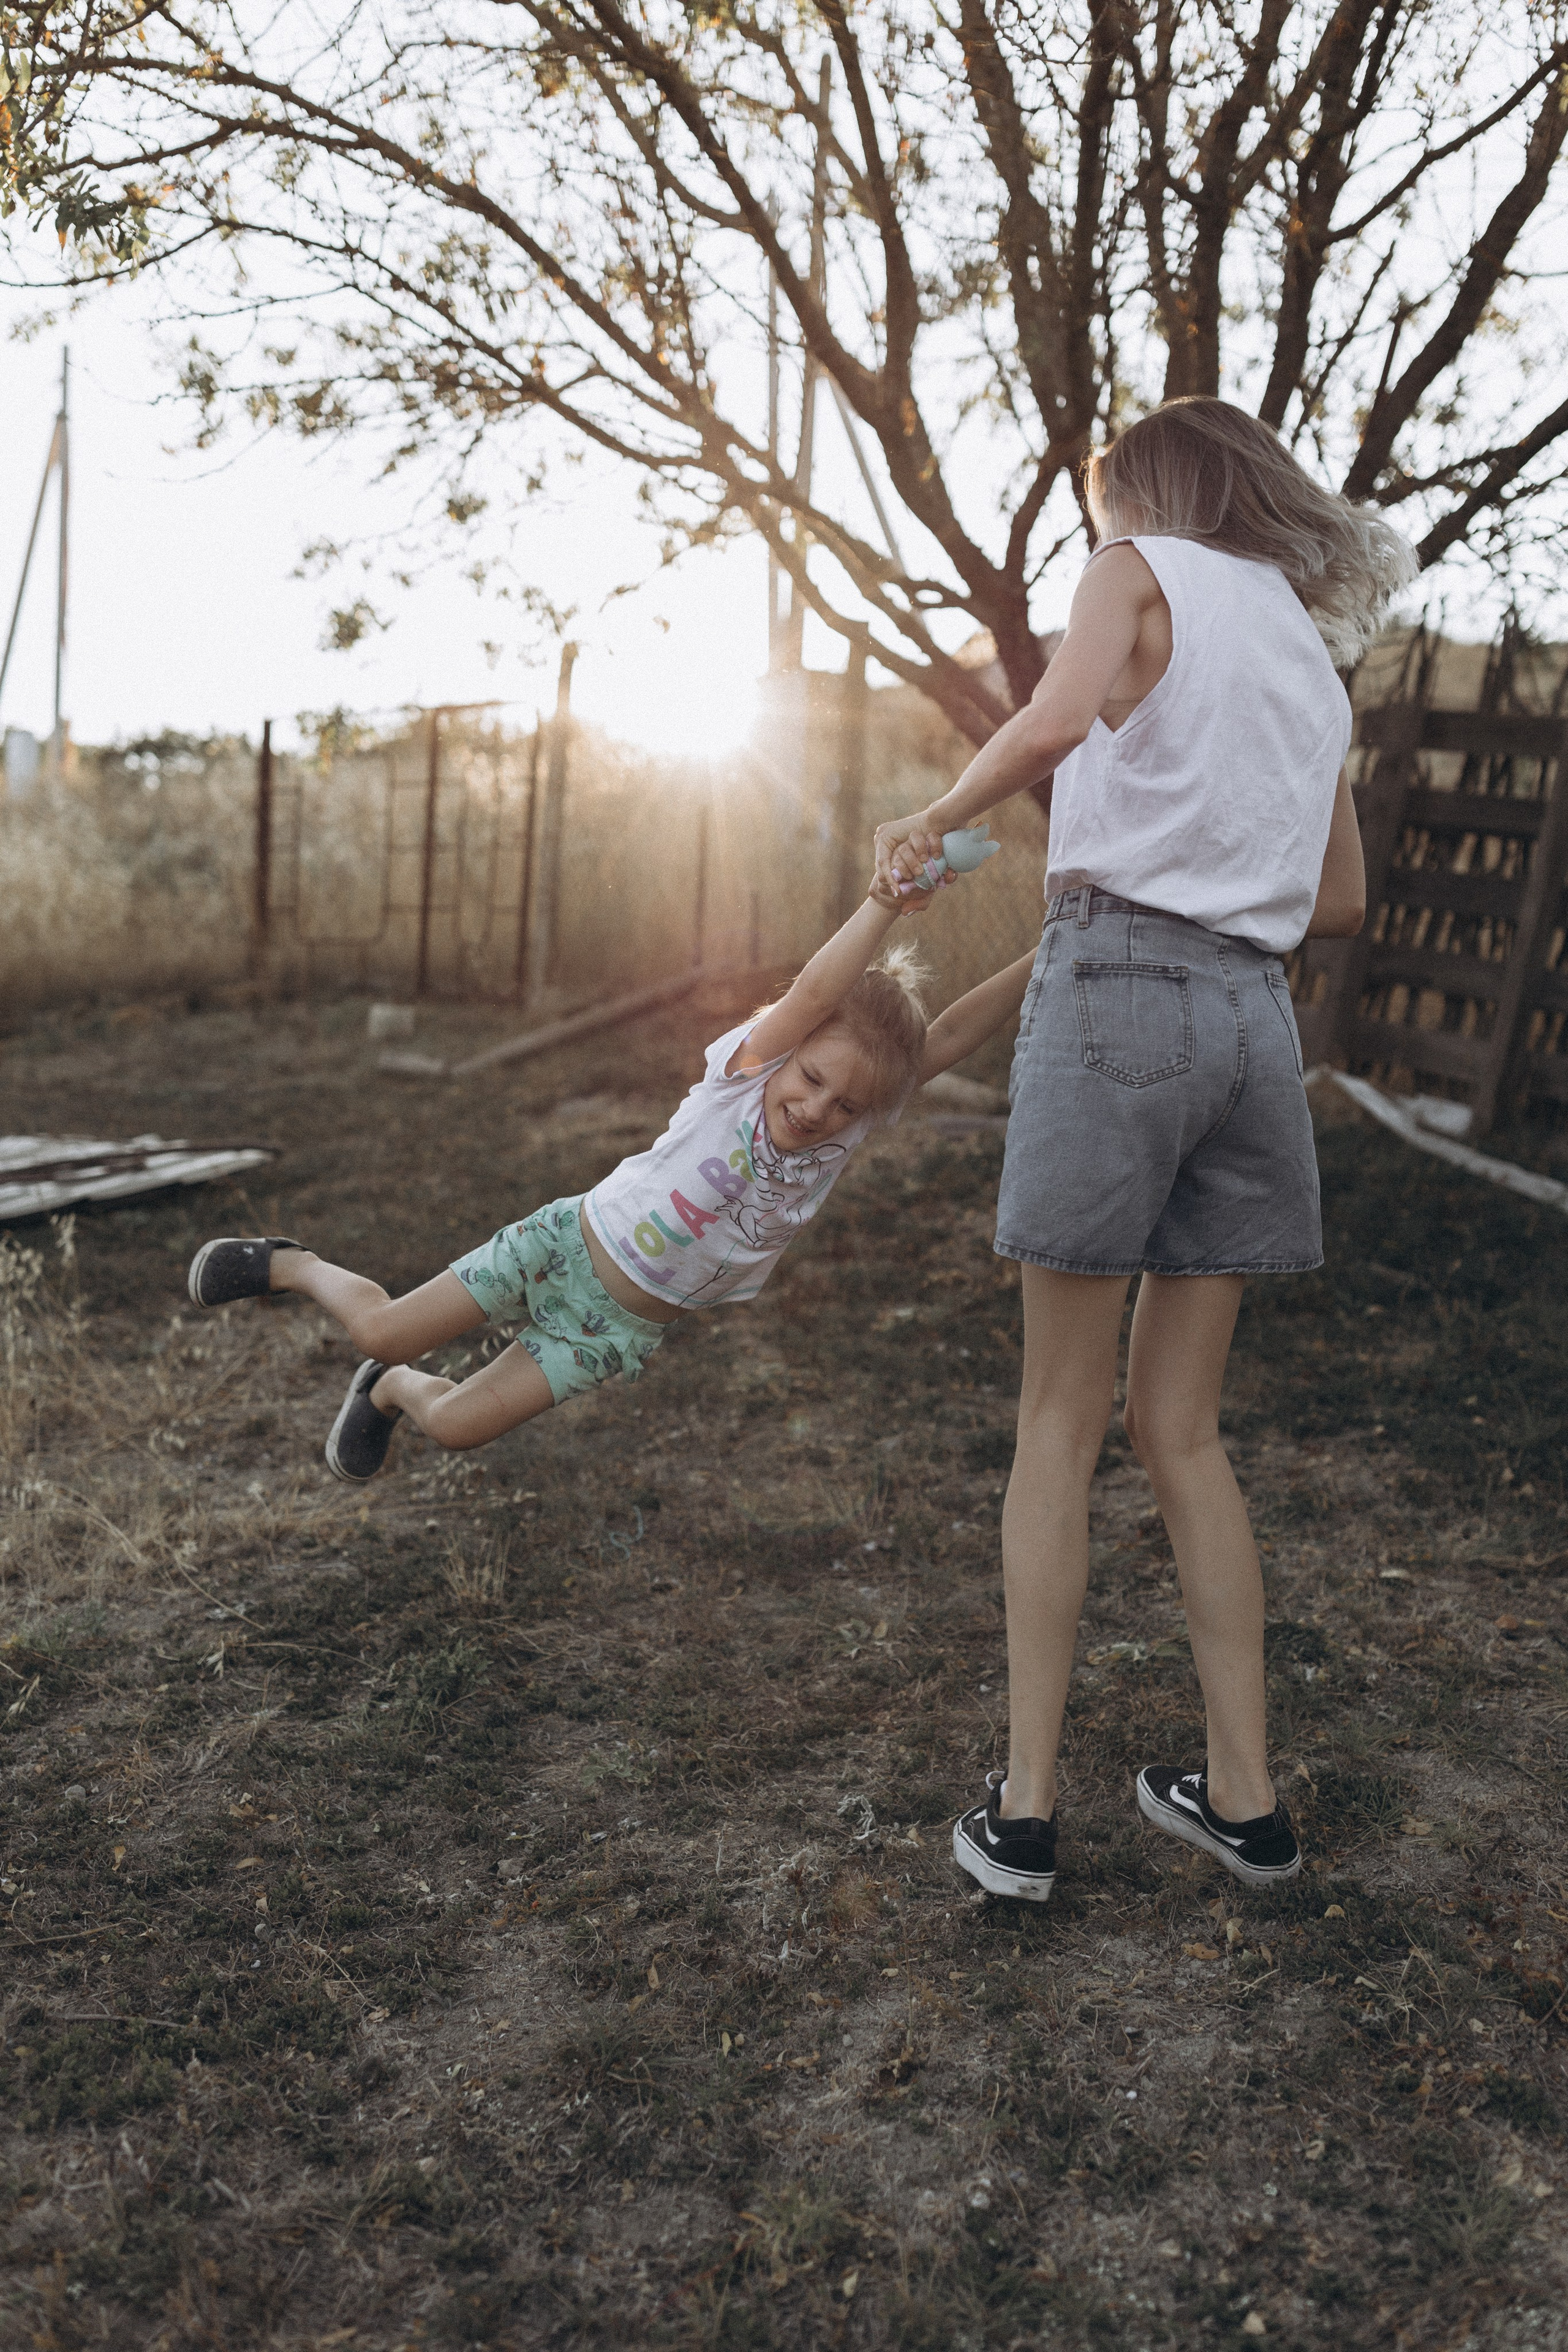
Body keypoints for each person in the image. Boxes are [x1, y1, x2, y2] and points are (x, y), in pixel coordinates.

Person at [874, 396, 1415, 1904]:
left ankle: (1025, 1814)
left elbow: (1050, 726)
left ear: (1145, 493)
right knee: (1182, 1431)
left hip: (1116, 995)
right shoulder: (1306, 655)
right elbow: (1340, 901)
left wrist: (933, 815)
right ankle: (1243, 1802)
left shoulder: (1134, 569)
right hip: (1252, 1027)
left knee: (1056, 1418)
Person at [186, 872, 1036, 1480]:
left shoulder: (844, 1132)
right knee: (382, 1330)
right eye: (812, 1079)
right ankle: (290, 1264)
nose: (818, 1109)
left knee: (453, 1427)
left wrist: (1052, 947)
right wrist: (884, 901)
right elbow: (816, 994)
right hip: (560, 1247)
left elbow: (953, 1036)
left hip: (614, 1331)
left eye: (846, 1105)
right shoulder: (742, 1075)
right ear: (789, 1051)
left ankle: (389, 1394)